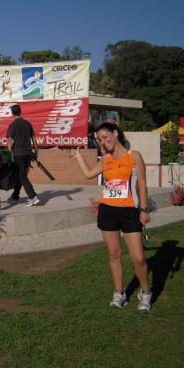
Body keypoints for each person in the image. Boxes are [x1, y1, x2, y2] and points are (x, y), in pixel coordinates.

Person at [71, 122, 152, 311]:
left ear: (116, 134)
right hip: (107, 210)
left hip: (130, 212)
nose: (103, 141)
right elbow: (89, 174)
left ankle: (146, 292)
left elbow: (142, 185)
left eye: (106, 137)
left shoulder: (134, 156)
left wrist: (145, 209)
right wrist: (78, 157)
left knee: (138, 258)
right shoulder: (105, 159)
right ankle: (119, 292)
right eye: (99, 139)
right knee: (114, 254)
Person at [6, 104, 40, 206]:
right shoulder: (27, 124)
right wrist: (36, 153)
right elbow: (34, 138)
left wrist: (9, 153)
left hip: (18, 154)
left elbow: (10, 141)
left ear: (12, 113)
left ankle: (32, 196)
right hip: (28, 153)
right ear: (20, 111)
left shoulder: (12, 125)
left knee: (21, 176)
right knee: (20, 175)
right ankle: (15, 196)